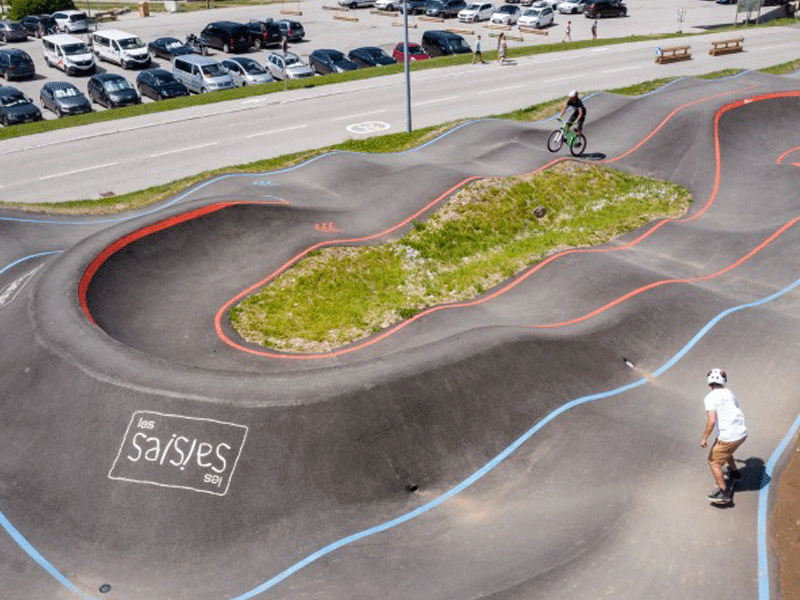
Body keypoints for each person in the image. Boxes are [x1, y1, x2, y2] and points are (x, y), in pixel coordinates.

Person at [699, 368, 747, 505]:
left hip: (728, 436)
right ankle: (734, 473)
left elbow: (712, 420)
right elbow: (736, 406)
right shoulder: (729, 392)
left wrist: (704, 438)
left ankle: (723, 492)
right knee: (722, 448)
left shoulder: (709, 398)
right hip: (741, 433)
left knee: (713, 462)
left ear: (709, 382)